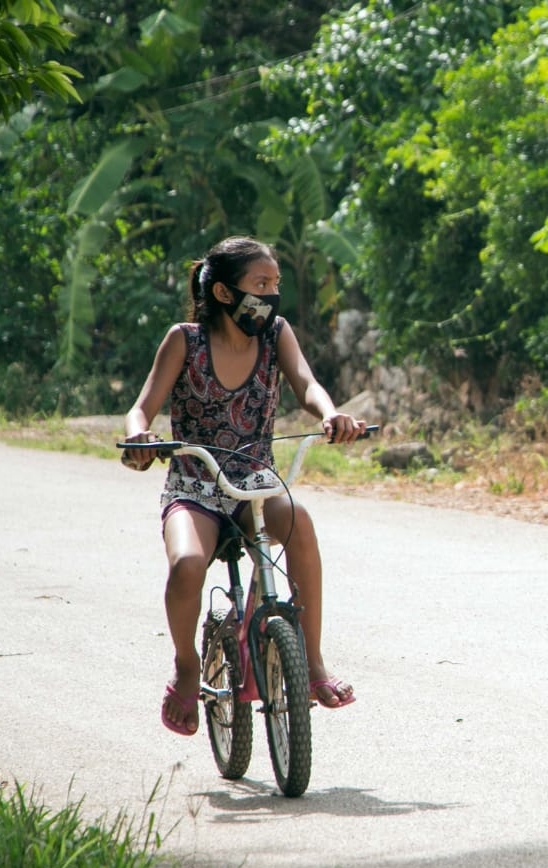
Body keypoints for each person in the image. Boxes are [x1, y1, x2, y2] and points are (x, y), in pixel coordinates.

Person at [122, 235, 365, 737]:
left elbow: (307, 384)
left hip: (256, 481)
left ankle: (313, 664)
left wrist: (330, 413)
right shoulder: (184, 339)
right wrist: (138, 436)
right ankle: (188, 666)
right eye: (261, 283)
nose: (272, 295)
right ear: (225, 292)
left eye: (276, 284)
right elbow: (142, 407)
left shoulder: (277, 334)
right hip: (194, 485)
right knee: (187, 564)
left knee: (300, 524)